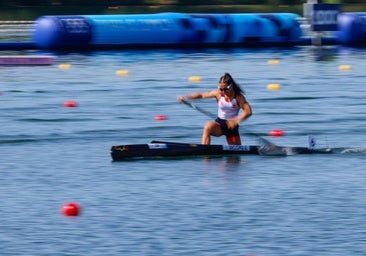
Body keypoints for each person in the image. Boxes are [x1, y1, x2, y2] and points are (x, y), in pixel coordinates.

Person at [178, 72, 252, 145]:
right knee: (207, 127)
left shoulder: (239, 97)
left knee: (235, 156)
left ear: (231, 86)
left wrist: (236, 120)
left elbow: (248, 111)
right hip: (219, 124)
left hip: (232, 127)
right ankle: (204, 151)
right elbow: (201, 95)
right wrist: (186, 97)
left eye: (226, 89)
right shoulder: (218, 94)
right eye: (221, 89)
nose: (223, 91)